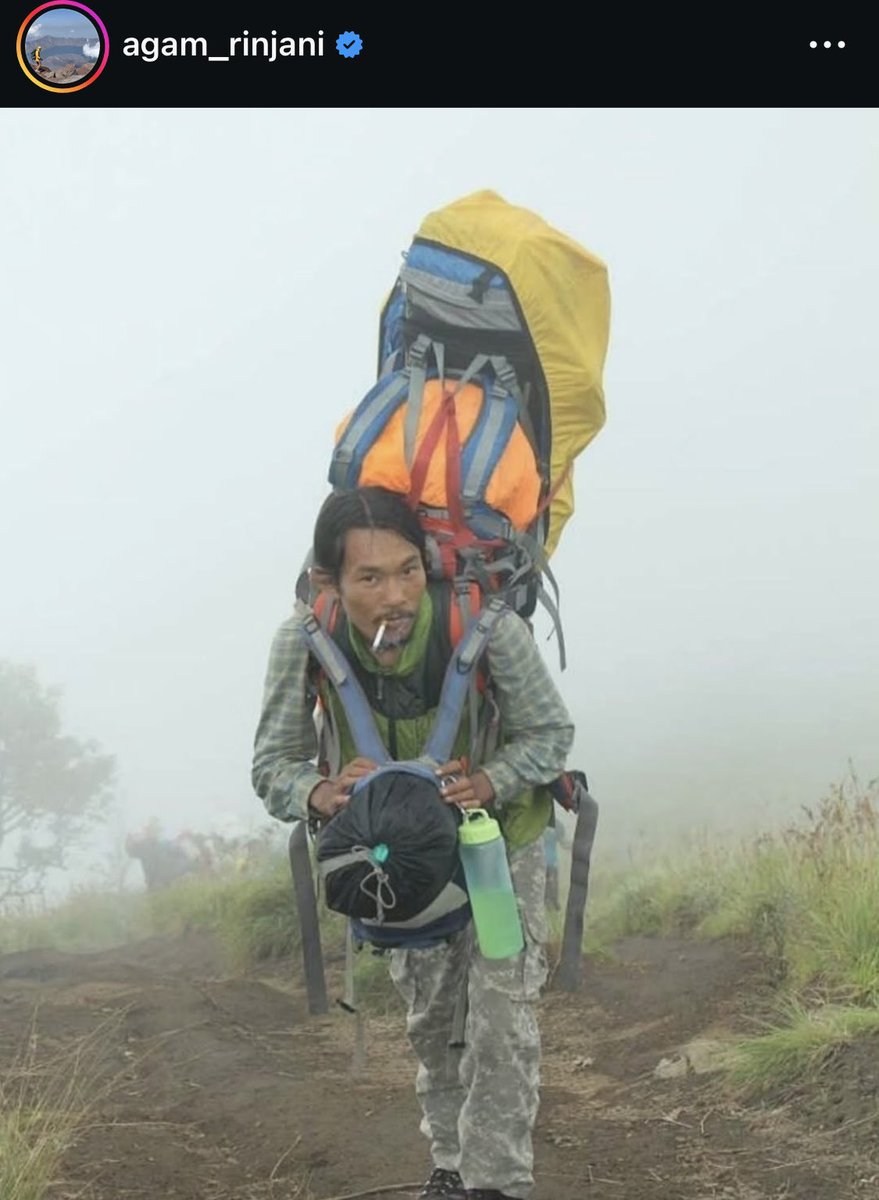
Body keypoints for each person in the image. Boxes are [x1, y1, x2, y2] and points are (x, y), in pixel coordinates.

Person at [252, 485, 575, 1200]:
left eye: (406, 570)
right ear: (327, 582)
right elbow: (272, 764)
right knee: (433, 1024)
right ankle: (452, 1165)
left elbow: (550, 735)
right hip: (394, 861)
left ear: (426, 564)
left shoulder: (483, 627)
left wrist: (491, 781)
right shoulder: (303, 639)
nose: (394, 595)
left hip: (495, 843)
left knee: (500, 1017)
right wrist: (321, 792)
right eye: (369, 578)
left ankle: (496, 1184)